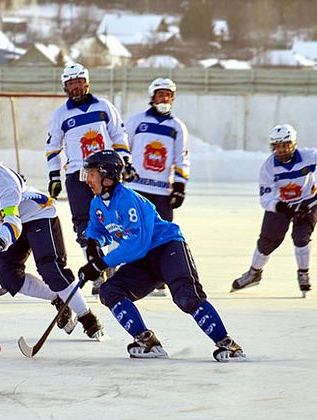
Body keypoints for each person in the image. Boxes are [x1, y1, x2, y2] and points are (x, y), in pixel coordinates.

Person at [78, 150, 245, 361]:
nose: (87, 180)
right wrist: (93, 245)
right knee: (110, 290)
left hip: (167, 248)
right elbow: (98, 228)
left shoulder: (128, 200)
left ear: (107, 175)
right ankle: (147, 341)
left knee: (187, 297)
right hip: (145, 260)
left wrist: (100, 264)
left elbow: (136, 245)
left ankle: (228, 344)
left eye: (91, 174)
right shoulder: (97, 203)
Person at [0, 137, 105, 340]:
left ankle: (87, 318)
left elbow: (14, 222)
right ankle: (58, 298)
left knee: (50, 269)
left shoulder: (6, 183)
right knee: (6, 274)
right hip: (8, 223)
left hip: (38, 216)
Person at [231, 123, 317, 297]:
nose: (282, 150)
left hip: (310, 201)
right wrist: (287, 210)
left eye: (286, 145)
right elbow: (266, 199)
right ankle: (254, 274)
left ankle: (303, 273)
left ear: (294, 144)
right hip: (282, 205)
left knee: (301, 236)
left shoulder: (308, 155)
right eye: (277, 146)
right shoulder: (268, 168)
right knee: (267, 241)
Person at [44, 63, 138, 294]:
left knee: (115, 218)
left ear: (87, 83)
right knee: (84, 224)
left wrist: (125, 161)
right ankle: (97, 271)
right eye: (71, 84)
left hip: (106, 169)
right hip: (79, 173)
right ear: (65, 87)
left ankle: (115, 266)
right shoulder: (60, 115)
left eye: (79, 82)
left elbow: (118, 134)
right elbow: (53, 147)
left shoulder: (104, 106)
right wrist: (54, 175)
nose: (76, 87)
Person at [125, 77, 190, 297]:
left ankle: (159, 276)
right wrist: (124, 169)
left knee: (162, 234)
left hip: (162, 190)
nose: (165, 98)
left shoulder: (177, 127)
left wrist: (180, 184)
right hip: (136, 187)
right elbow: (123, 149)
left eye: (168, 95)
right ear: (152, 97)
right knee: (130, 230)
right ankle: (123, 270)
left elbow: (182, 157)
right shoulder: (136, 122)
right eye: (161, 94)